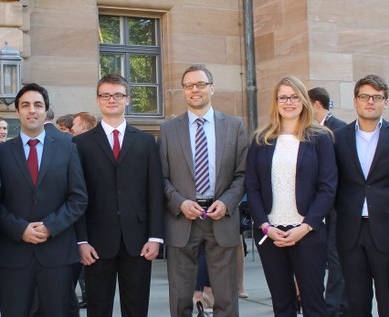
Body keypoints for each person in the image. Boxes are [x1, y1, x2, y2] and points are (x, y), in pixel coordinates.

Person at [159, 65, 248, 317]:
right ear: (184, 90)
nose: (194, 90)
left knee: (226, 297)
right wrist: (179, 203)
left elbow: (243, 174)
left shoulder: (234, 126)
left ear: (212, 87)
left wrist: (228, 202)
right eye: (188, 85)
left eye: (200, 84)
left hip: (221, 217)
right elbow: (160, 177)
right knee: (179, 296)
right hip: (182, 219)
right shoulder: (168, 130)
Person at [0, 83, 88, 317]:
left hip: (56, 255)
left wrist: (50, 226)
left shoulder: (68, 148)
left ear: (46, 111)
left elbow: (78, 198)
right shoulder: (0, 153)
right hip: (13, 255)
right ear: (17, 112)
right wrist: (20, 228)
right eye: (25, 105)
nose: (32, 110)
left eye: (38, 105)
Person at [74, 73, 165, 317]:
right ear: (98, 99)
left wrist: (155, 237)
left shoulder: (146, 142)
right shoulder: (81, 144)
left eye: (117, 95)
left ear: (128, 99)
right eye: (106, 95)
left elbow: (155, 192)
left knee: (136, 309)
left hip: (138, 241)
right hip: (96, 242)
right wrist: (81, 241)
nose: (111, 99)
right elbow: (77, 197)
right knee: (98, 308)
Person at [245, 76, 337, 316]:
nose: (289, 102)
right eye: (283, 97)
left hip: (308, 233)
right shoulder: (260, 140)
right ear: (276, 102)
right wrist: (265, 226)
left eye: (295, 96)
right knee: (282, 303)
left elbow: (328, 187)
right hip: (270, 235)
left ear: (304, 101)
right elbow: (252, 187)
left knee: (313, 303)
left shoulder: (321, 138)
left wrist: (305, 227)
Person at [333, 74, 389, 317]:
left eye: (377, 97)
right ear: (355, 101)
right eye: (364, 96)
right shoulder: (338, 138)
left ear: (386, 102)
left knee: (388, 301)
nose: (370, 101)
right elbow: (333, 183)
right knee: (356, 303)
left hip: (387, 231)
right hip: (350, 231)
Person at [307, 86, 347, 317]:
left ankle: (333, 309)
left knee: (336, 260)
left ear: (316, 104)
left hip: (335, 209)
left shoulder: (338, 129)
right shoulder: (310, 131)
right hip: (314, 209)